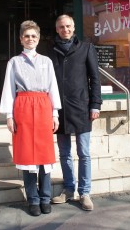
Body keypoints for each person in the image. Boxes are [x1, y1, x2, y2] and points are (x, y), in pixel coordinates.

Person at [0, 20, 61, 217]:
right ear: (21, 39)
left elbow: (53, 87)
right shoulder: (14, 62)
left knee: (44, 156)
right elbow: (9, 89)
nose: (30, 39)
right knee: (27, 156)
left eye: (34, 36)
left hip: (43, 107)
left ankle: (45, 197)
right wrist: (9, 115)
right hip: (23, 107)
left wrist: (55, 113)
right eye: (27, 36)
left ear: (38, 38)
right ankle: (33, 199)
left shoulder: (46, 62)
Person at [48, 14, 102, 211]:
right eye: (62, 27)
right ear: (57, 29)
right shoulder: (50, 51)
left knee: (84, 153)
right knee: (64, 153)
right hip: (59, 109)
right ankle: (69, 189)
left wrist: (95, 104)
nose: (66, 30)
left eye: (68, 26)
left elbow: (95, 78)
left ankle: (85, 192)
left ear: (74, 27)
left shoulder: (86, 47)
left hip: (81, 108)